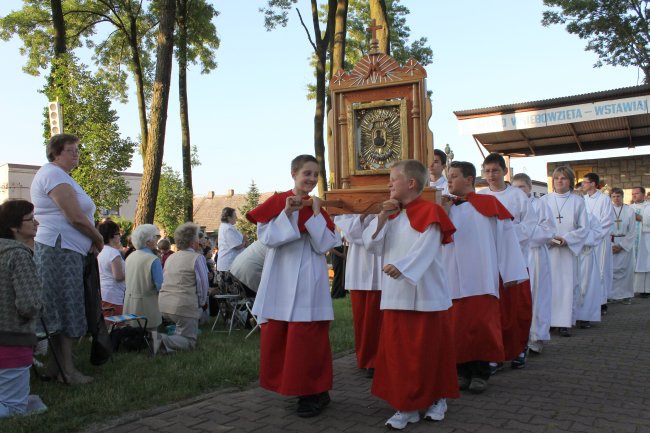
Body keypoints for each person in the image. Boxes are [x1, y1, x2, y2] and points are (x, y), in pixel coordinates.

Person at [362, 160, 458, 429]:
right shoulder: (391, 214)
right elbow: (371, 245)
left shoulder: (431, 211)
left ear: (411, 183)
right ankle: (406, 405)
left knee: (431, 351)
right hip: (396, 294)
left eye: (394, 179)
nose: (389, 184)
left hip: (427, 294)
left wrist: (403, 267)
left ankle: (438, 398)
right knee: (400, 354)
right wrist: (380, 217)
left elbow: (427, 249)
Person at [246, 155, 341, 418]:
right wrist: (287, 213)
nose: (311, 179)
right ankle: (300, 388)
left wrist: (313, 214)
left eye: (315, 175)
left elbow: (325, 245)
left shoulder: (318, 208)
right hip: (281, 276)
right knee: (283, 337)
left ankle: (312, 393)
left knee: (308, 339)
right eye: (306, 174)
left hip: (310, 277)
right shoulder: (277, 203)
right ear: (294, 174)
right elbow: (268, 239)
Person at [446, 162, 528, 395]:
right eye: (448, 177)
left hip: (481, 275)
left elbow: (506, 238)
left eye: (454, 176)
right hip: (451, 275)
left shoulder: (489, 204)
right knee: (456, 327)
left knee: (481, 326)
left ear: (469, 180)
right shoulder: (445, 207)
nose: (449, 181)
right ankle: (460, 370)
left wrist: (511, 272)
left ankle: (481, 372)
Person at [31, 133, 104, 385]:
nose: (77, 154)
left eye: (77, 150)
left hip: (67, 250)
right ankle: (68, 372)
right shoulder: (52, 174)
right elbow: (73, 215)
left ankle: (56, 367)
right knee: (64, 307)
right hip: (58, 249)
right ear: (56, 152)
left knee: (65, 307)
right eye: (71, 150)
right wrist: (98, 238)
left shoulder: (62, 176)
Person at [478, 153, 535, 368]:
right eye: (487, 171)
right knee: (495, 309)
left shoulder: (517, 196)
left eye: (495, 170)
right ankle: (496, 351)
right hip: (490, 262)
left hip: (515, 260)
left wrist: (501, 234)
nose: (491, 175)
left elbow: (528, 227)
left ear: (504, 172)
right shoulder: (481, 196)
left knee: (517, 308)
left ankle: (519, 347)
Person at [0, 200, 47, 417]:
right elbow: (28, 305)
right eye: (30, 219)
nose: (36, 223)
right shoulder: (18, 254)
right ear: (14, 226)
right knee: (14, 408)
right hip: (12, 341)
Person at [540, 166, 589, 337]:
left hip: (567, 250)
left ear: (570, 181)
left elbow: (584, 228)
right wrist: (549, 239)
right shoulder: (544, 200)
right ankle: (550, 320)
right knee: (549, 286)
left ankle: (565, 322)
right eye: (556, 178)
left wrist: (566, 239)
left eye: (564, 178)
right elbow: (538, 224)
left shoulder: (578, 201)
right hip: (549, 249)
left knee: (567, 286)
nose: (559, 181)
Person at [511, 173, 555, 354]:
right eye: (515, 187)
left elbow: (549, 230)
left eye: (522, 187)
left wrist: (524, 234)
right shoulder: (511, 203)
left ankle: (537, 336)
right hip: (517, 255)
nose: (518, 191)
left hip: (536, 254)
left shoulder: (541, 204)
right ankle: (518, 337)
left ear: (530, 188)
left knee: (538, 296)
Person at [335, 214, 382, 377]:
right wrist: (364, 214)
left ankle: (381, 358)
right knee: (363, 317)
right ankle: (367, 358)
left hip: (383, 262)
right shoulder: (350, 206)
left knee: (379, 318)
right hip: (360, 265)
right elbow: (350, 234)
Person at [153, 223, 209, 354]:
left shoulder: (171, 257)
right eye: (197, 238)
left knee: (182, 331)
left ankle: (164, 346)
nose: (199, 240)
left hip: (164, 304)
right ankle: (160, 339)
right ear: (192, 242)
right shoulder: (197, 258)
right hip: (183, 305)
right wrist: (201, 305)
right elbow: (203, 285)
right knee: (189, 342)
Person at [581, 173, 614, 317]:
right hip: (586, 241)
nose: (582, 185)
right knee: (587, 272)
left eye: (585, 182)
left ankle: (602, 302)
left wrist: (594, 236)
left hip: (600, 241)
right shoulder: (582, 199)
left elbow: (607, 221)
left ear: (593, 184)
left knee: (601, 270)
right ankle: (589, 300)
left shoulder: (604, 199)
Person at [124, 224, 163, 330]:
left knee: (134, 335)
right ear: (148, 241)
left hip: (130, 303)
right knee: (151, 336)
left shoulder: (129, 257)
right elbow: (160, 286)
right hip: (148, 305)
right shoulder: (153, 259)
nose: (156, 240)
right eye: (155, 238)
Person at [609, 188, 636, 304]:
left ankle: (626, 295)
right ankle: (611, 295)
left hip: (625, 243)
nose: (616, 199)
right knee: (611, 270)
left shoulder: (629, 210)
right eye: (614, 196)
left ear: (622, 197)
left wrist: (621, 246)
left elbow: (633, 231)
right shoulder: (607, 210)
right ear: (611, 198)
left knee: (626, 270)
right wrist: (611, 245)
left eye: (618, 196)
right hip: (611, 243)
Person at [97, 219, 126, 317]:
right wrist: (130, 271)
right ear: (112, 235)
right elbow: (118, 277)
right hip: (114, 295)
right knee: (116, 326)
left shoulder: (100, 251)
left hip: (103, 292)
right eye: (118, 233)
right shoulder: (113, 253)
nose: (120, 236)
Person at [216, 207, 246, 293]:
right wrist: (244, 241)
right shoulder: (228, 228)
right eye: (234, 216)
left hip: (230, 266)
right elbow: (236, 246)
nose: (236, 218)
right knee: (232, 294)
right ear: (228, 217)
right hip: (228, 266)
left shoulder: (227, 227)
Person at [631, 187, 650, 297]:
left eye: (637, 193)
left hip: (645, 240)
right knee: (634, 263)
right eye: (633, 194)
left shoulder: (648, 207)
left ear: (643, 195)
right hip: (633, 240)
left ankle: (647, 290)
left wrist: (640, 218)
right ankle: (634, 289)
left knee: (646, 263)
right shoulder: (629, 208)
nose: (634, 195)